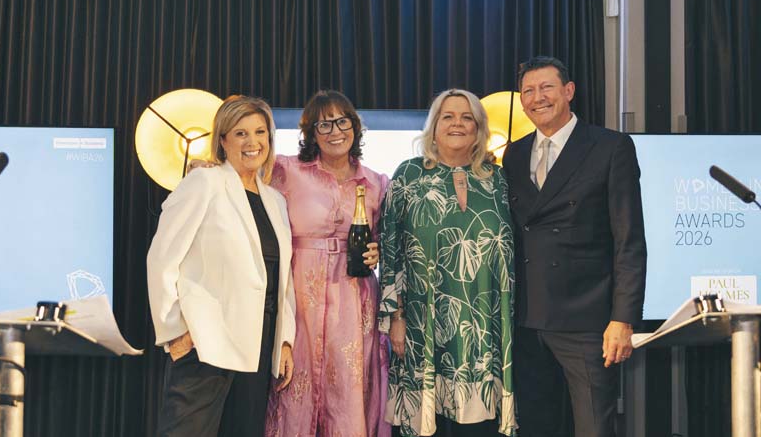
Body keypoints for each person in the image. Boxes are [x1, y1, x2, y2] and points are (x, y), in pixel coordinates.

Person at [501, 56, 647, 437]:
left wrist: (623, 319)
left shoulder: (610, 147)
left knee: (594, 428)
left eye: (546, 87)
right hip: (527, 320)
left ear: (569, 91)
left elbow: (629, 241)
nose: (537, 98)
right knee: (536, 428)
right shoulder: (514, 154)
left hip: (587, 322)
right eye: (528, 91)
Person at [147, 96, 296, 437]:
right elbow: (162, 258)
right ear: (223, 140)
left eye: (260, 132)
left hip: (259, 344)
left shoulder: (275, 200)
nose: (252, 141)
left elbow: (281, 278)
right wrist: (175, 331)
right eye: (240, 133)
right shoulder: (204, 182)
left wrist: (284, 340)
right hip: (205, 341)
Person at [378, 88, 517, 437]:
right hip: (421, 325)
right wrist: (396, 318)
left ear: (479, 128)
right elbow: (391, 250)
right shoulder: (408, 176)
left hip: (485, 331)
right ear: (434, 126)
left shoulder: (498, 180)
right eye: (448, 116)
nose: (458, 124)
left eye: (467, 117)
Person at [264, 90, 390, 437]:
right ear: (311, 133)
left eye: (342, 121)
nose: (335, 131)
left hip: (354, 300)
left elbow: (390, 242)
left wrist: (379, 251)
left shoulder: (377, 183)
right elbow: (244, 181)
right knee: (293, 386)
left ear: (355, 126)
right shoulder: (286, 170)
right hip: (299, 297)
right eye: (324, 124)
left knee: (348, 389)